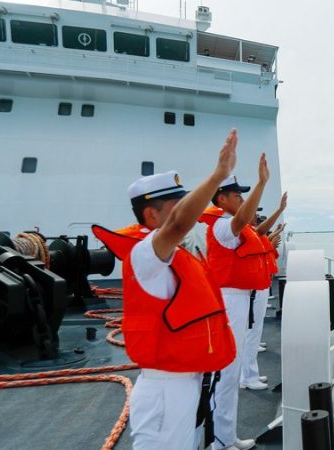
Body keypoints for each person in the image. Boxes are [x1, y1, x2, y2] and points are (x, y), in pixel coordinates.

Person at [90, 129, 240, 450]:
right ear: (151, 214)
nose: (190, 211)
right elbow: (177, 226)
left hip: (191, 382)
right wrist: (218, 176)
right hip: (165, 390)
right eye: (178, 204)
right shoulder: (144, 254)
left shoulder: (181, 254)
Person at [198, 151, 272, 450]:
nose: (241, 200)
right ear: (221, 198)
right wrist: (262, 184)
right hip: (229, 301)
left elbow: (246, 222)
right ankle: (219, 440)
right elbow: (242, 221)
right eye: (236, 195)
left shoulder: (225, 222)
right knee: (225, 372)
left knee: (230, 370)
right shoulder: (219, 225)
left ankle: (225, 437)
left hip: (240, 299)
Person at [240, 194, 288, 389]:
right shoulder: (244, 233)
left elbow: (263, 246)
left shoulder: (250, 232)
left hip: (257, 286)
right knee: (249, 332)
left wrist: (273, 236)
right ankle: (247, 377)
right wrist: (273, 235)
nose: (255, 217)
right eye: (253, 213)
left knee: (254, 330)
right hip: (249, 289)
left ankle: (251, 374)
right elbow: (259, 247)